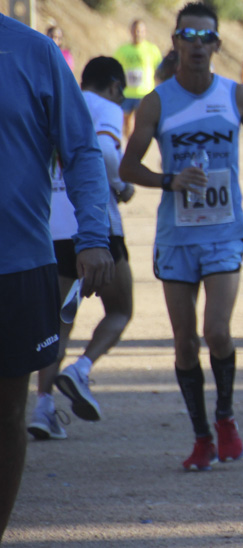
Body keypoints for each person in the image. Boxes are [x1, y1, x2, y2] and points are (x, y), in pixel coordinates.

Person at [120, 1, 243, 471]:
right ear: (176, 42)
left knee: (217, 331)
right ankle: (201, 435)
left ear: (217, 46)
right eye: (190, 35)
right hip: (175, 237)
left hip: (225, 232)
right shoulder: (157, 101)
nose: (198, 45)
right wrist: (170, 181)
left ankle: (225, 418)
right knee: (185, 341)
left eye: (208, 38)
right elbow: (128, 167)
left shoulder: (235, 95)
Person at [0, 0, 114, 541]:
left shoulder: (36, 55)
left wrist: (93, 235)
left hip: (17, 268)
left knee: (7, 415)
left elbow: (81, 151)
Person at [29, 57, 136, 439]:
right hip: (95, 225)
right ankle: (82, 369)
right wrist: (122, 186)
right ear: (114, 87)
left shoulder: (53, 100)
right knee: (121, 310)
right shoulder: (107, 108)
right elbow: (107, 153)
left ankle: (42, 408)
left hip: (52, 226)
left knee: (58, 325)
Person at [113, 19, 163, 135]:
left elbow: (159, 70)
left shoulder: (152, 50)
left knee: (142, 123)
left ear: (145, 32)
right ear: (131, 31)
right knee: (127, 123)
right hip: (127, 92)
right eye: (135, 30)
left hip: (144, 93)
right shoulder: (122, 50)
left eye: (140, 31)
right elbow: (115, 69)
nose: (138, 33)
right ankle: (130, 144)